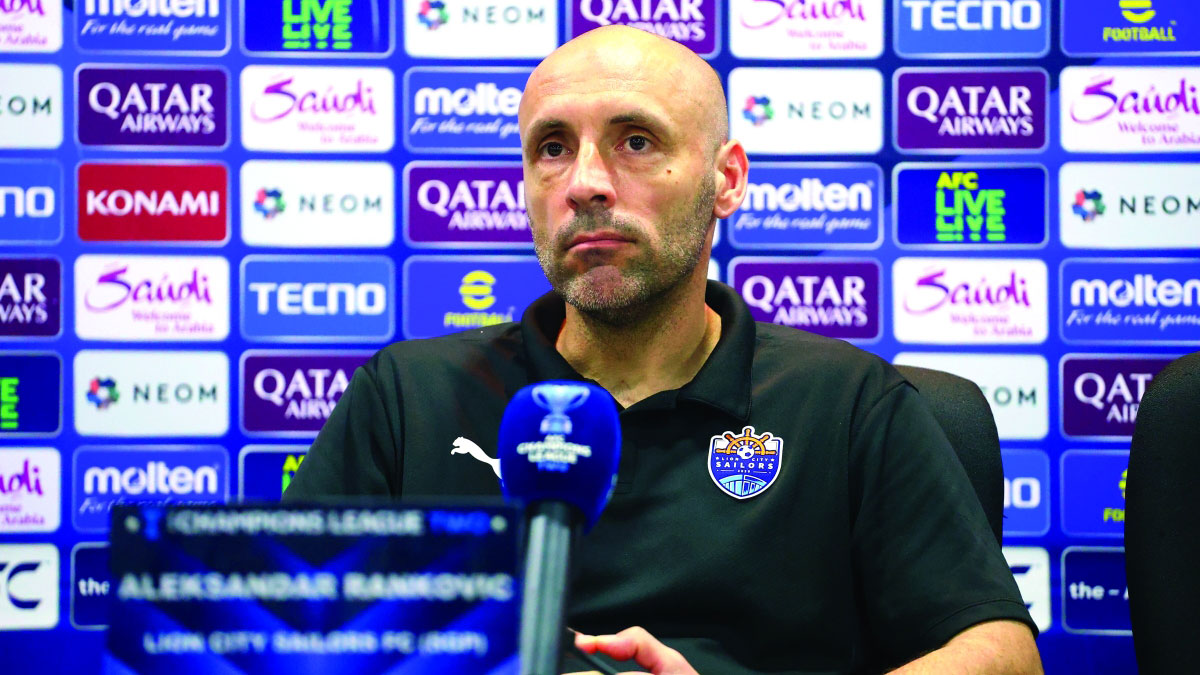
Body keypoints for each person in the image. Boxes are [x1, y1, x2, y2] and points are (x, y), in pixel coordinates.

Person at [284, 25, 1042, 674]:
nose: (584, 183)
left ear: (726, 180)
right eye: (552, 148)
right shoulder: (409, 397)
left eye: (636, 142)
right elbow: (279, 634)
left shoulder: (847, 403)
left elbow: (1002, 653)